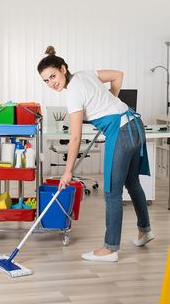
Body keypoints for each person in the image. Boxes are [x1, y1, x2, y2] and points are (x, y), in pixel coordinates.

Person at [37, 46, 154, 262]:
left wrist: (67, 172)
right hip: (135, 125)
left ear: (63, 69)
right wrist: (110, 102)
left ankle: (110, 249)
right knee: (132, 183)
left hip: (121, 132)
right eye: (46, 81)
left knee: (112, 192)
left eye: (53, 76)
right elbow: (118, 75)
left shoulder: (72, 94)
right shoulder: (85, 74)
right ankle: (144, 230)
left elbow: (74, 137)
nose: (51, 83)